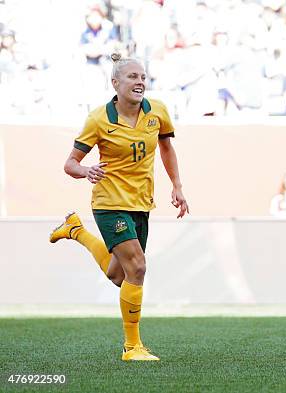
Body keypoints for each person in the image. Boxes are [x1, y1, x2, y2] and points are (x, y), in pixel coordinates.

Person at [49, 53, 189, 361]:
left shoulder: (158, 111)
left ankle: (76, 231)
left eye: (143, 77)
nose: (140, 82)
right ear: (115, 83)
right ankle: (132, 347)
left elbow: (166, 147)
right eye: (132, 77)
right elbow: (70, 164)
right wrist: (87, 171)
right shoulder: (99, 119)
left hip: (141, 203)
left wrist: (177, 186)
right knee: (137, 267)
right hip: (109, 203)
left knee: (119, 276)